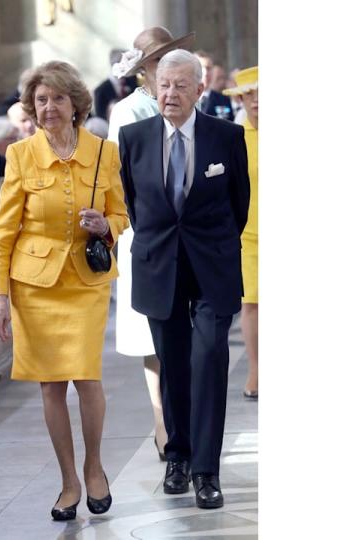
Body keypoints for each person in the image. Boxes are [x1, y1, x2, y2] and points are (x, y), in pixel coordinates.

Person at [0, 60, 129, 521]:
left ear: (76, 104)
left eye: (57, 99)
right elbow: (4, 232)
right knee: (52, 386)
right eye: (40, 100)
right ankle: (68, 480)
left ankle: (94, 467)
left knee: (87, 378)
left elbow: (122, 216)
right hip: (34, 287)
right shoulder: (20, 154)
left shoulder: (104, 152)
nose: (48, 108)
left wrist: (105, 224)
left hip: (86, 285)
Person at [117, 49, 249, 510]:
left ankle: (206, 472)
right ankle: (178, 456)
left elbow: (239, 203)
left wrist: (209, 245)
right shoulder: (133, 138)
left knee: (210, 358)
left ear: (198, 89)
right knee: (173, 364)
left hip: (212, 265)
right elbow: (136, 206)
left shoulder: (226, 137)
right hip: (160, 266)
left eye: (179, 86)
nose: (169, 94)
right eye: (163, 85)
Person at [107, 25, 196, 463]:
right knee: (151, 334)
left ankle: (184, 418)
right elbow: (121, 178)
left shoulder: (188, 100)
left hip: (187, 234)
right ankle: (162, 420)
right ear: (144, 68)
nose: (166, 65)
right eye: (159, 59)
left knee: (185, 334)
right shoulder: (129, 111)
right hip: (147, 233)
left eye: (173, 55)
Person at [223, 66, 259, 399]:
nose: (258, 101)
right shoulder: (235, 134)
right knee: (251, 303)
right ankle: (256, 369)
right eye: (250, 95)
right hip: (248, 231)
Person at [93, 49, 138, 119]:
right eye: (125, 62)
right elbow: (100, 117)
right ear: (115, 64)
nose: (128, 65)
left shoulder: (132, 79)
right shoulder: (100, 91)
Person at [193, 51, 235, 121]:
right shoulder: (186, 98)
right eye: (200, 67)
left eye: (208, 68)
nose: (206, 73)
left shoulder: (223, 100)